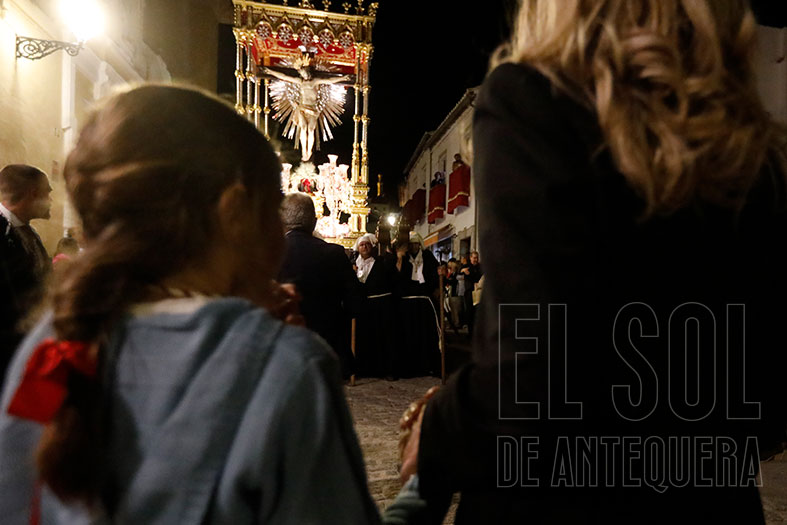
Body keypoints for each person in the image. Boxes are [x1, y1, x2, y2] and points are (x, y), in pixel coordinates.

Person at [404, 1, 787, 523]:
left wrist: (439, 425)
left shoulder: (537, 100)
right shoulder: (751, 148)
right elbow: (766, 403)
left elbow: (530, 380)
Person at [0, 86, 381, 524]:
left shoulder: (51, 342)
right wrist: (421, 488)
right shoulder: (288, 366)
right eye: (273, 210)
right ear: (234, 212)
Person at [278, 192, 362, 379]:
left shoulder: (272, 254)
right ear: (314, 223)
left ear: (282, 221)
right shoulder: (334, 254)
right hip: (326, 348)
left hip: (283, 349)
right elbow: (355, 303)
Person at [0, 164, 52, 388]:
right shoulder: (3, 231)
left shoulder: (27, 231)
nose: (51, 200)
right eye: (47, 193)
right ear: (33, 193)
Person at [263, 53, 351, 162]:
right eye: (301, 74)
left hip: (313, 110)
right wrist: (271, 72)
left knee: (310, 130)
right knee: (303, 128)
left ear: (308, 72)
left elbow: (329, 80)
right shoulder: (300, 82)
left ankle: (309, 151)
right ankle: (304, 150)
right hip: (302, 109)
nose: (303, 75)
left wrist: (343, 78)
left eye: (303, 73)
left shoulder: (315, 82)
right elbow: (285, 77)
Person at [394, 232, 440, 377]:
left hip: (424, 303)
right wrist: (399, 257)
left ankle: (428, 365)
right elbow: (398, 277)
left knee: (426, 335)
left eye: (416, 244)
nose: (414, 247)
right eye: (411, 244)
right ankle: (409, 367)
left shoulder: (428, 257)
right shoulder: (403, 257)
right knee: (408, 335)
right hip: (406, 304)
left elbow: (434, 276)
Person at [353, 233, 397, 379]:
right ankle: (365, 369)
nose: (364, 247)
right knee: (365, 339)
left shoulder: (381, 262)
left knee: (384, 338)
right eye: (361, 245)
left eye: (367, 244)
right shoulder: (354, 264)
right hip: (364, 308)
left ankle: (387, 369)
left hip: (381, 306)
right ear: (358, 248)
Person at [460, 251, 482, 337]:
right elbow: (460, 271)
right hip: (469, 293)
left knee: (477, 313)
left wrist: (469, 274)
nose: (475, 260)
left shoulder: (480, 267)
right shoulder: (467, 266)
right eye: (474, 258)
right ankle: (471, 333)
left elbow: (478, 277)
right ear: (470, 258)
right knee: (469, 312)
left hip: (478, 292)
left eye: (476, 258)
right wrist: (463, 270)